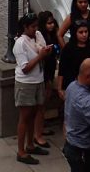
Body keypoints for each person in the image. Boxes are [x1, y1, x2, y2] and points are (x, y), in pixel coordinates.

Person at [13, 12, 53, 165]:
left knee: (34, 113)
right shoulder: (20, 44)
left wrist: (46, 52)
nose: (35, 29)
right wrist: (41, 56)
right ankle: (21, 151)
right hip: (26, 83)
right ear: (25, 27)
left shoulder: (37, 35)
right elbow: (25, 68)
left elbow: (42, 51)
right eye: (32, 27)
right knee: (25, 117)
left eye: (36, 26)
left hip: (38, 80)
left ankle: (30, 145)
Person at [57, 20, 90, 102]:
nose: (84, 35)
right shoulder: (68, 48)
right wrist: (60, 88)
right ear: (75, 33)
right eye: (81, 32)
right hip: (72, 84)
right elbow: (62, 69)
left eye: (86, 32)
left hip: (89, 85)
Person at [35, 10, 61, 146]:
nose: (51, 26)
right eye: (48, 23)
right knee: (41, 103)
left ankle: (40, 127)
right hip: (44, 73)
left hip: (50, 71)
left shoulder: (53, 35)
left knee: (45, 102)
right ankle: (37, 131)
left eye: (52, 23)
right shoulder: (42, 38)